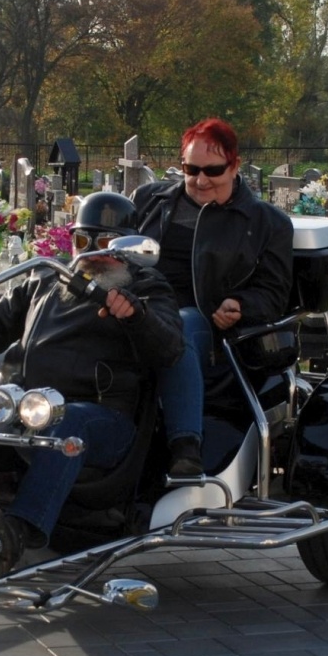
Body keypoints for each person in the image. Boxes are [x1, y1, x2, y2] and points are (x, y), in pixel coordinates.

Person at [0, 192, 184, 575]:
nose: (92, 254)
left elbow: (169, 348)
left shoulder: (147, 287)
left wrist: (136, 316)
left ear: (127, 246)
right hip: (31, 407)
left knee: (69, 423)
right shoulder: (48, 276)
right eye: (83, 242)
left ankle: (20, 530)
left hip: (105, 420)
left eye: (105, 244)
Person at [131, 118, 294, 476]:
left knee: (184, 322)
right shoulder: (149, 201)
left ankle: (186, 446)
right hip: (138, 313)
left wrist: (241, 305)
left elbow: (274, 293)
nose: (201, 180)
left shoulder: (268, 223)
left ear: (234, 166)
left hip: (210, 331)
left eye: (213, 170)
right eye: (191, 169)